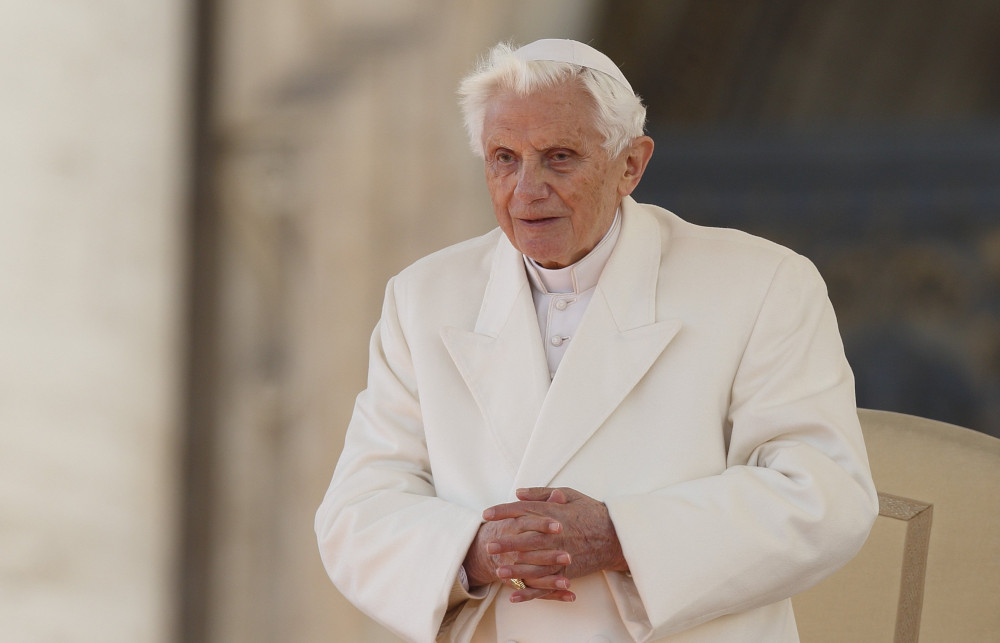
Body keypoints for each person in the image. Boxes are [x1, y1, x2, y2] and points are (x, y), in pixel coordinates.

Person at [315, 38, 877, 642]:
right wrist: (477, 551)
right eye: (504, 157)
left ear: (630, 165)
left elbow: (825, 495)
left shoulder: (762, 284)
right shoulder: (422, 297)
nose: (526, 190)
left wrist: (619, 537)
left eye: (559, 157)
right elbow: (358, 512)